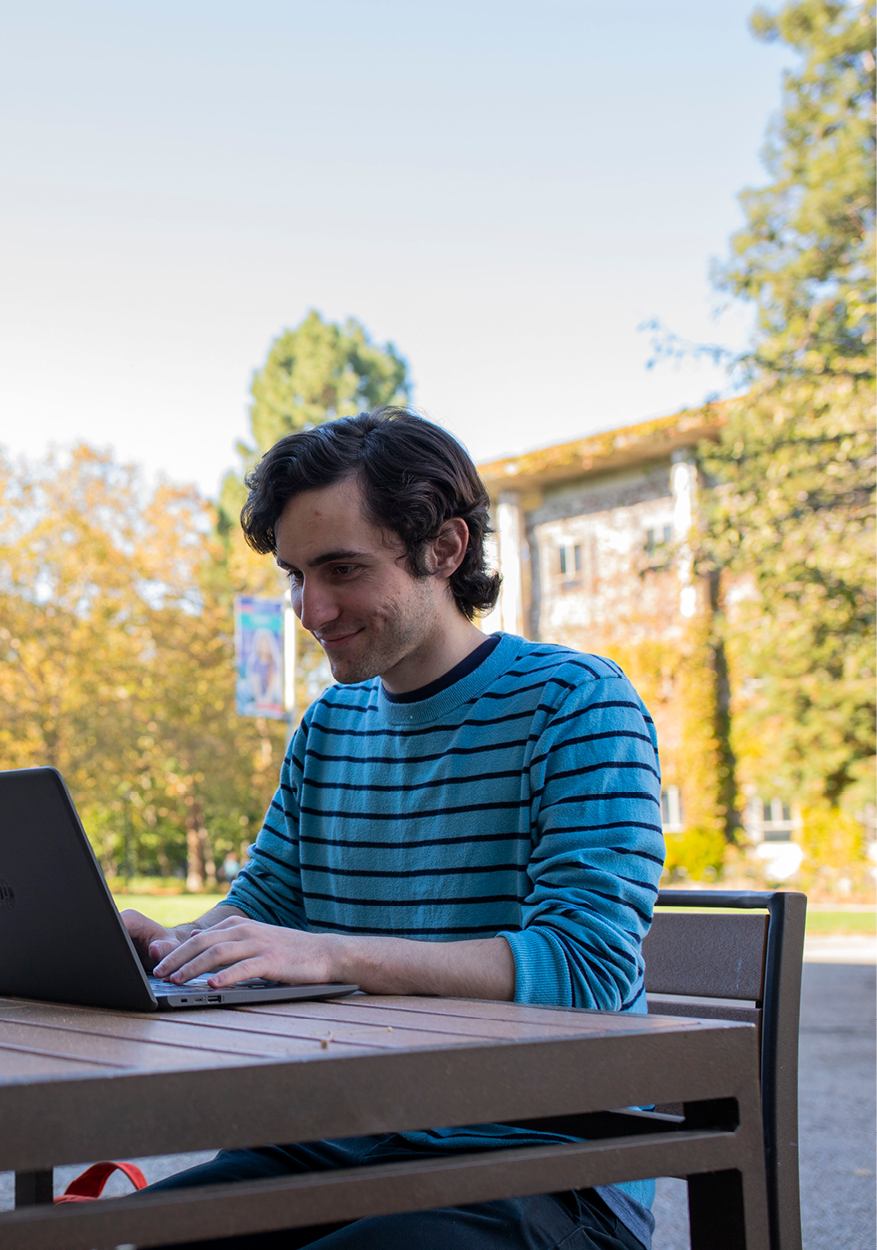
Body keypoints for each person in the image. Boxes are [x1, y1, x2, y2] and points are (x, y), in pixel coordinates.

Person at [122, 408, 663, 1250]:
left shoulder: (576, 702)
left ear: (442, 550)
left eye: (341, 568)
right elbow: (262, 910)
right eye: (295, 575)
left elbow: (586, 967)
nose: (311, 608)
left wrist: (336, 954)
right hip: (341, 1144)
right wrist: (167, 950)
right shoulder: (328, 725)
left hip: (538, 1165)